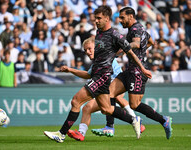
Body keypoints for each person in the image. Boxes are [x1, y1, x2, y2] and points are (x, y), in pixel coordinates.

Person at [44, 6, 152, 143]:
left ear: (107, 18)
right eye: (95, 18)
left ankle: (61, 134)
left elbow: (130, 51)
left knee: (76, 101)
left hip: (102, 76)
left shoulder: (116, 35)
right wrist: (71, 69)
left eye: (99, 18)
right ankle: (133, 120)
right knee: (107, 109)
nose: (96, 21)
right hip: (98, 75)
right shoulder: (99, 32)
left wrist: (142, 68)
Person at [63, 37, 145, 141]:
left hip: (115, 86)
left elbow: (115, 76)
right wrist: (70, 70)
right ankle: (81, 133)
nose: (87, 52)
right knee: (87, 108)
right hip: (108, 88)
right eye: (85, 50)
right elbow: (88, 74)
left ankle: (131, 121)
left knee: (112, 101)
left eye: (89, 49)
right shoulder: (99, 60)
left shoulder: (105, 57)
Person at [110, 7, 172, 139]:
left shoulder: (135, 29)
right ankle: (109, 127)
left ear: (131, 16)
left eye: (122, 17)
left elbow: (137, 43)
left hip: (138, 72)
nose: (120, 20)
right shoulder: (140, 28)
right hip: (130, 70)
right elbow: (150, 42)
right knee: (110, 93)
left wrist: (123, 48)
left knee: (134, 105)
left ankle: (163, 120)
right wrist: (141, 51)